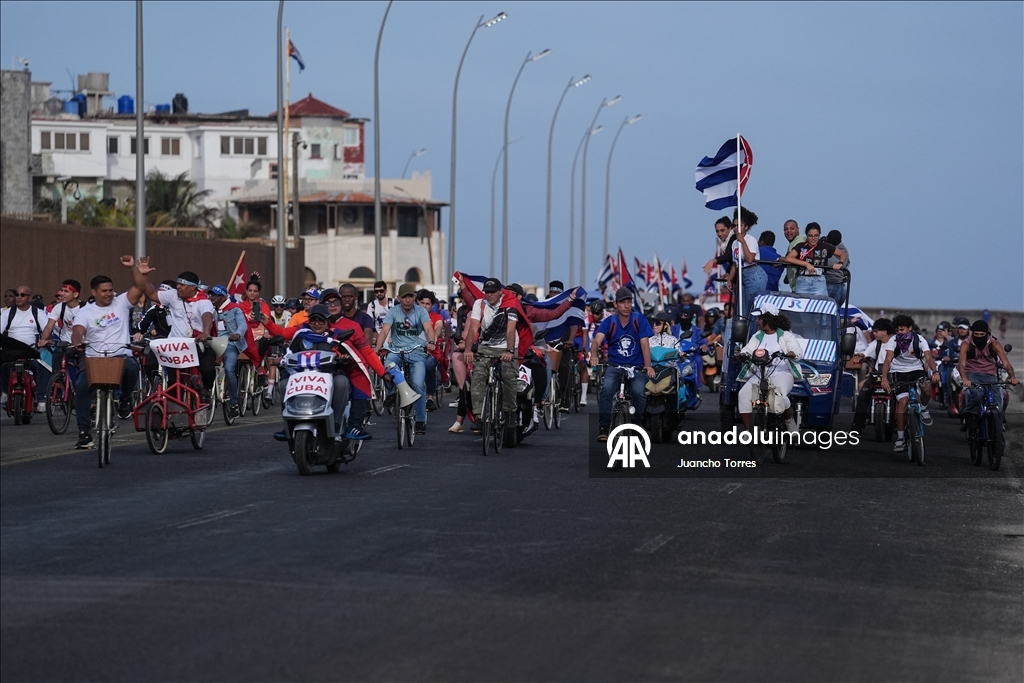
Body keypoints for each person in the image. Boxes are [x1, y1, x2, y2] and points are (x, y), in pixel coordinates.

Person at [70, 257, 150, 449]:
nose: (108, 294)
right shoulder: (85, 311)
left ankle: (124, 399)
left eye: (110, 290)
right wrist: (77, 342)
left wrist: (133, 268)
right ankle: (84, 433)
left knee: (132, 366)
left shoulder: (121, 302)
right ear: (94, 292)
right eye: (104, 291)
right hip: (94, 359)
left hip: (120, 355)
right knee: (81, 386)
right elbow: (77, 330)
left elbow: (140, 286)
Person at [590, 287, 655, 442]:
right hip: (615, 366)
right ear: (616, 304)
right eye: (623, 302)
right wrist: (593, 355)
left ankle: (637, 425)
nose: (626, 306)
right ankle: (604, 427)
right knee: (606, 390)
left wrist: (648, 365)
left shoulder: (639, 319)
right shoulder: (609, 322)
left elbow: (645, 344)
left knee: (639, 392)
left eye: (629, 302)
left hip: (637, 367)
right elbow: (597, 340)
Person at [145, 270, 218, 400]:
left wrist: (205, 332)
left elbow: (207, 316)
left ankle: (205, 389)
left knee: (208, 370)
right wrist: (141, 274)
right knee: (152, 360)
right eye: (177, 284)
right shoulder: (173, 295)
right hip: (175, 346)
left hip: (197, 343)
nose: (178, 287)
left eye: (182, 285)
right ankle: (161, 397)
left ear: (193, 287)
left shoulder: (203, 302)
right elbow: (150, 294)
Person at [376, 283, 436, 435]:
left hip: (417, 351)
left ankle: (421, 420)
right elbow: (384, 330)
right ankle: (391, 393)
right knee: (387, 364)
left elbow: (429, 328)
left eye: (410, 296)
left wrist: (431, 342)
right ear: (398, 298)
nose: (408, 300)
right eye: (404, 297)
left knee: (417, 384)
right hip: (396, 350)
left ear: (414, 298)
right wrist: (377, 348)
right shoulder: (393, 311)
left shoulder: (421, 311)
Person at [735, 303, 802, 433]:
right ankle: (749, 431)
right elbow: (748, 349)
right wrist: (742, 355)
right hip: (760, 373)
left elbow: (796, 350)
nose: (757, 321)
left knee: (780, 396)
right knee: (743, 395)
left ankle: (789, 421)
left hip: (782, 373)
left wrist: (791, 353)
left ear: (768, 319)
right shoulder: (757, 336)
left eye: (759, 318)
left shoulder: (786, 336)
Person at [464, 277, 519, 432]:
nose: (489, 295)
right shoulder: (479, 304)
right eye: (486, 292)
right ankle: (479, 416)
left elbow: (510, 330)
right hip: (486, 348)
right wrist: (468, 349)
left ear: (500, 292)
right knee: (478, 376)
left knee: (509, 378)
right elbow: (473, 329)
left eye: (492, 292)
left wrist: (509, 351)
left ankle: (510, 413)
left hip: (507, 347)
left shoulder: (510, 304)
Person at [879, 314, 939, 452]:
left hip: (916, 369)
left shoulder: (919, 340)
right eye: (897, 330)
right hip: (898, 372)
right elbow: (888, 360)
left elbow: (928, 358)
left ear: (910, 328)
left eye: (902, 330)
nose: (900, 333)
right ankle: (900, 438)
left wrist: (935, 371)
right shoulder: (893, 341)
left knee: (927, 388)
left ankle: (923, 409)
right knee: (903, 403)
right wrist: (884, 378)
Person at [958, 320, 1018, 437]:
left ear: (987, 333)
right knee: (977, 393)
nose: (979, 337)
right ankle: (969, 413)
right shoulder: (966, 344)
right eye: (976, 334)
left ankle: (999, 442)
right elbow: (961, 364)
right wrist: (965, 378)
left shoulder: (994, 344)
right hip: (972, 374)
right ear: (972, 333)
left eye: (982, 335)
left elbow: (1006, 364)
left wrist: (1012, 377)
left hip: (990, 375)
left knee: (998, 406)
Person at [0, 284, 50, 413]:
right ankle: (5, 391)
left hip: (32, 350)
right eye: (17, 294)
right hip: (12, 350)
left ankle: (41, 398)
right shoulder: (7, 313)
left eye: (22, 295)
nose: (18, 297)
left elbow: (46, 330)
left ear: (29, 297)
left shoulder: (37, 313)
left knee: (46, 364)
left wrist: (45, 341)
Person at [208, 285, 248, 419]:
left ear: (223, 297)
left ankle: (234, 403)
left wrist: (237, 333)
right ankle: (205, 394)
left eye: (215, 295)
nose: (212, 297)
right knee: (205, 365)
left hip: (231, 343)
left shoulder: (235, 309)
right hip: (214, 342)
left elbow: (243, 324)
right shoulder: (210, 310)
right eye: (211, 295)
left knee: (229, 369)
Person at [723, 207, 767, 318]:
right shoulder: (734, 244)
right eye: (735, 225)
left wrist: (742, 241)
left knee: (751, 308)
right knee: (741, 309)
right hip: (741, 275)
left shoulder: (750, 239)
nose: (736, 228)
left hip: (753, 273)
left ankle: (751, 334)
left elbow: (750, 259)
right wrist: (729, 279)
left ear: (746, 227)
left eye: (739, 225)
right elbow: (735, 264)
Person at [852, 318, 894, 432]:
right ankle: (857, 427)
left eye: (876, 331)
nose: (873, 333)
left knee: (900, 397)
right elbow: (865, 353)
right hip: (877, 375)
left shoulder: (897, 343)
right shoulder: (876, 343)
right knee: (862, 395)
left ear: (884, 332)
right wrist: (859, 357)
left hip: (893, 376)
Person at [783, 222, 847, 298]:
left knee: (821, 306)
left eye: (816, 236)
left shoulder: (825, 246)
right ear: (806, 235)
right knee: (802, 307)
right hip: (803, 280)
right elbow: (788, 258)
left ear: (819, 235)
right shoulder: (801, 246)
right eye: (810, 236)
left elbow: (843, 254)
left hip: (819, 281)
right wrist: (806, 264)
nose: (813, 238)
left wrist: (840, 263)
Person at [417, 289, 445, 412]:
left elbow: (438, 327)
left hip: (432, 352)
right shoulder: (411, 316)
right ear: (417, 302)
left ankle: (430, 397)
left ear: (432, 305)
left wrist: (432, 340)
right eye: (422, 303)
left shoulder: (436, 317)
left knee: (428, 365)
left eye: (427, 304)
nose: (424, 306)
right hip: (414, 351)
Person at [823, 229, 851, 305]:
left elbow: (828, 262)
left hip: (831, 283)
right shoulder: (844, 250)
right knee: (836, 311)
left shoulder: (833, 250)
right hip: (841, 285)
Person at [781, 219, 805, 292]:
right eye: (786, 229)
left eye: (792, 228)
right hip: (796, 286)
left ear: (798, 229)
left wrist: (780, 259)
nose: (788, 231)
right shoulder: (792, 243)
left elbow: (791, 258)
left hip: (801, 286)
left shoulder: (800, 239)